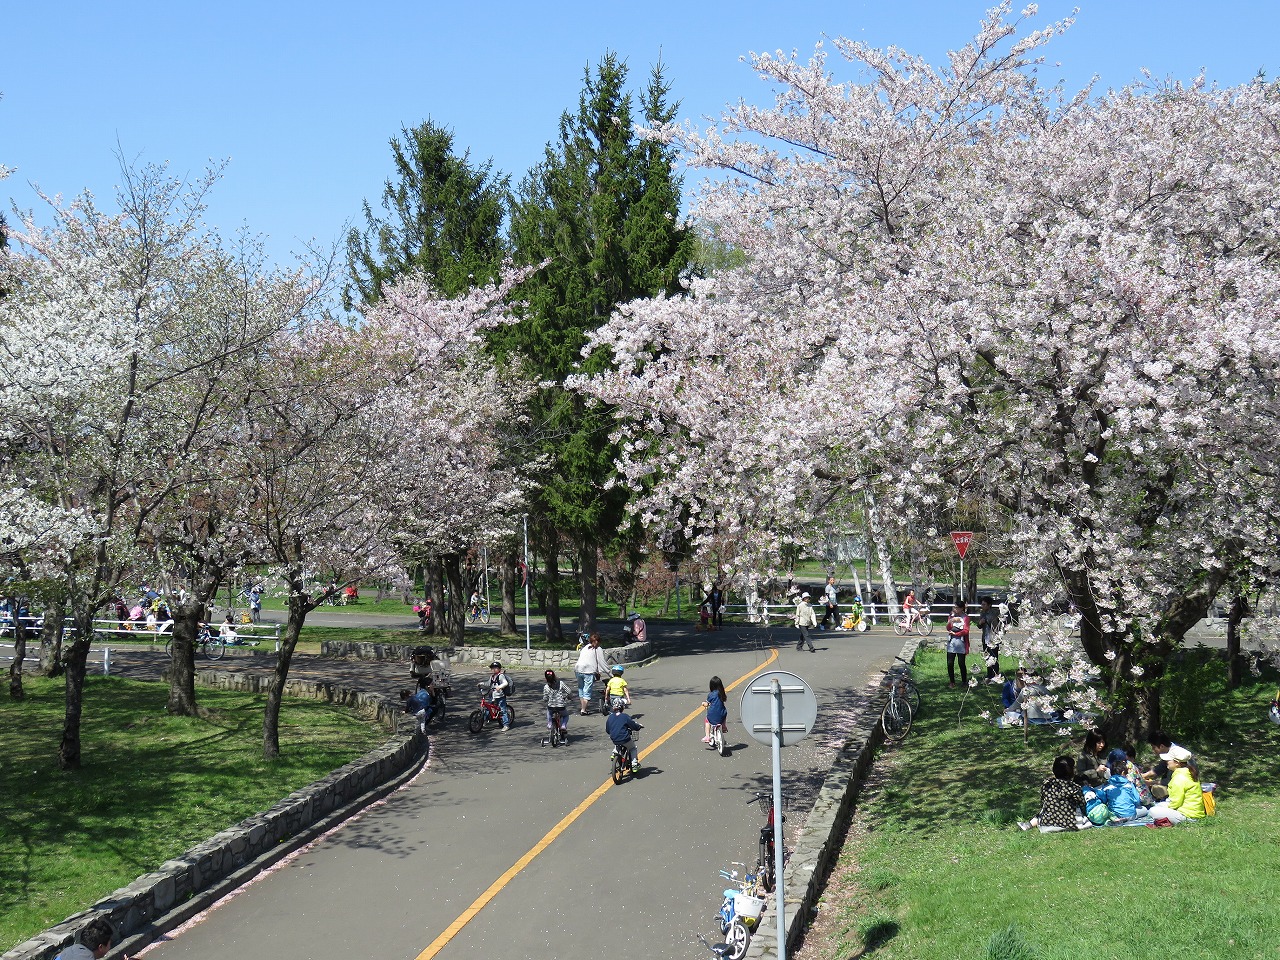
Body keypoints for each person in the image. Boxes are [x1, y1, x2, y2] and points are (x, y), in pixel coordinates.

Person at [1020, 755, 1088, 832]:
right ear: (1071, 771)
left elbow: (1043, 803)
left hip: (1048, 823)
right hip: (1071, 823)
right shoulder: (1074, 787)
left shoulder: (1047, 785)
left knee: (1044, 810)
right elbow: (1083, 805)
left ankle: (1029, 824)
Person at [1147, 745, 1206, 824]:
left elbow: (1175, 803)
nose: (1166, 762)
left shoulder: (1179, 777)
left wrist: (1165, 808)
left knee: (1153, 811)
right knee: (1159, 806)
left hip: (1188, 815)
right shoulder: (1187, 772)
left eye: (1168, 760)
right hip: (1191, 812)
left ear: (1177, 763)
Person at [1097, 748, 1148, 822]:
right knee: (1144, 809)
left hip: (1114, 815)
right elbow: (1137, 800)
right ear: (1123, 772)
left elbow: (1103, 799)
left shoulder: (1107, 785)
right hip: (1131, 814)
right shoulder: (1129, 783)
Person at [573, 633, 609, 715]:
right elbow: (602, 663)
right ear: (599, 642)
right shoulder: (598, 649)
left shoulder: (585, 647)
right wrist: (610, 674)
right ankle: (583, 710)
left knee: (581, 689)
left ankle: (584, 708)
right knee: (587, 691)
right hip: (588, 671)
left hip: (578, 669)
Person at [605, 699, 643, 772]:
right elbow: (633, 725)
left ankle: (614, 753)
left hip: (614, 738)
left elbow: (607, 729)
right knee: (633, 748)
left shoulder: (610, 717)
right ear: (622, 707)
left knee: (618, 743)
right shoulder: (625, 716)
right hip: (625, 738)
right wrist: (638, 727)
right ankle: (634, 764)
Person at [542, 669, 572, 742]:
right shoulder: (561, 683)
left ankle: (549, 723)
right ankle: (563, 725)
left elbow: (545, 698)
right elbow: (569, 691)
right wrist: (568, 696)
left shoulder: (546, 687)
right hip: (560, 705)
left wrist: (546, 699)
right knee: (565, 715)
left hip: (551, 706)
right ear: (554, 676)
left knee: (549, 712)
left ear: (546, 678)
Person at [945, 602, 969, 687]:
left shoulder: (965, 617)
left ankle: (964, 681)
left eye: (957, 607)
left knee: (961, 663)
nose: (955, 609)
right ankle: (952, 681)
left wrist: (956, 634)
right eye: (954, 607)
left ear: (962, 608)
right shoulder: (952, 616)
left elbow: (966, 630)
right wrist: (950, 621)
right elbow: (948, 628)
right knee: (950, 662)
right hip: (951, 642)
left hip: (961, 642)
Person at [976, 597, 1000, 679]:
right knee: (987, 656)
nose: (982, 606)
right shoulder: (982, 613)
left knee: (994, 657)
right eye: (982, 604)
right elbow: (979, 625)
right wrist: (980, 622)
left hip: (993, 638)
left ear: (989, 605)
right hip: (985, 637)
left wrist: (986, 619)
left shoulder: (994, 613)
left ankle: (995, 674)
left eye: (984, 604)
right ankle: (989, 674)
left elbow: (995, 625)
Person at [701, 675, 728, 744]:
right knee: (723, 713)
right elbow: (724, 700)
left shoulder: (711, 694)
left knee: (707, 721)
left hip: (713, 715)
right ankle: (724, 726)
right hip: (722, 714)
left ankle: (707, 736)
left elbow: (707, 704)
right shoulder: (722, 693)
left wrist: (703, 703)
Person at [488, 661, 512, 731]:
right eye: (492, 668)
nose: (494, 669)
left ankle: (506, 725)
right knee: (488, 708)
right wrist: (482, 684)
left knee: (503, 710)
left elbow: (505, 683)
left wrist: (500, 687)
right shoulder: (492, 676)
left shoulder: (501, 676)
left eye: (495, 668)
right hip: (493, 695)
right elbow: (488, 683)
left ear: (499, 669)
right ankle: (485, 719)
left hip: (500, 695)